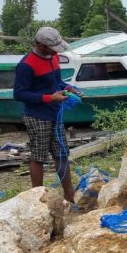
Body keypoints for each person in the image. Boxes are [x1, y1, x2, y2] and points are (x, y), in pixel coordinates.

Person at [13, 27, 83, 203]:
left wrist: (68, 88)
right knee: (39, 156)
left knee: (61, 153)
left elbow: (56, 82)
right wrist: (49, 98)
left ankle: (69, 195)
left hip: (54, 113)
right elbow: (19, 94)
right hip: (37, 115)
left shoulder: (54, 58)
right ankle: (38, 198)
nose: (55, 52)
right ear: (40, 45)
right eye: (52, 48)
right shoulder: (26, 65)